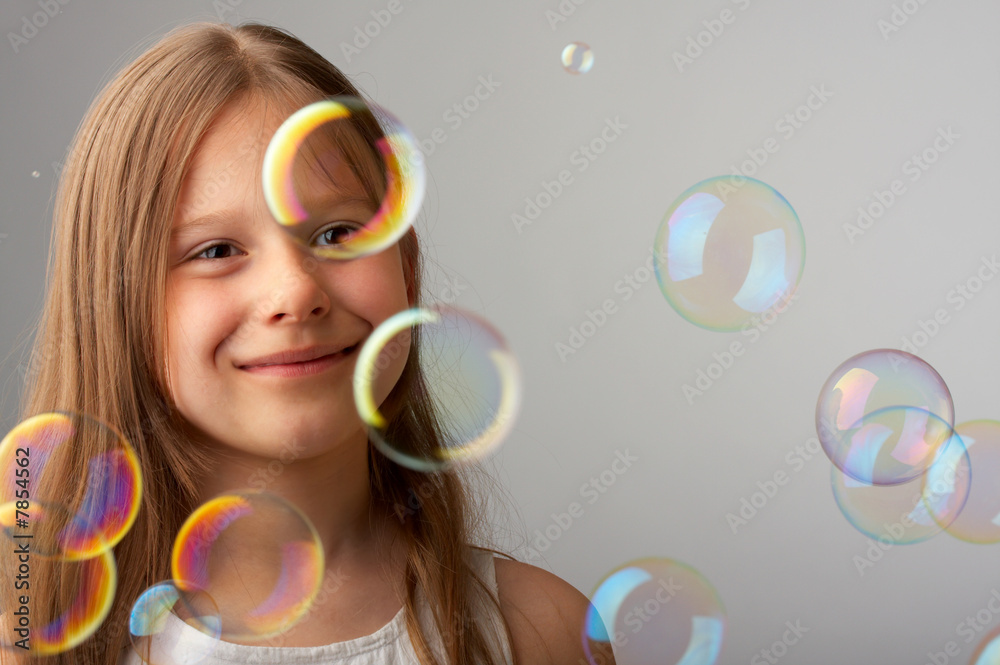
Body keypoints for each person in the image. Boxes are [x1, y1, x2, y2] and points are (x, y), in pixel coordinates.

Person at [0, 20, 615, 665]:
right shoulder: (23, 632)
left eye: (336, 233)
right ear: (115, 303)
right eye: (216, 250)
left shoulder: (536, 632)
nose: (295, 290)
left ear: (405, 265)